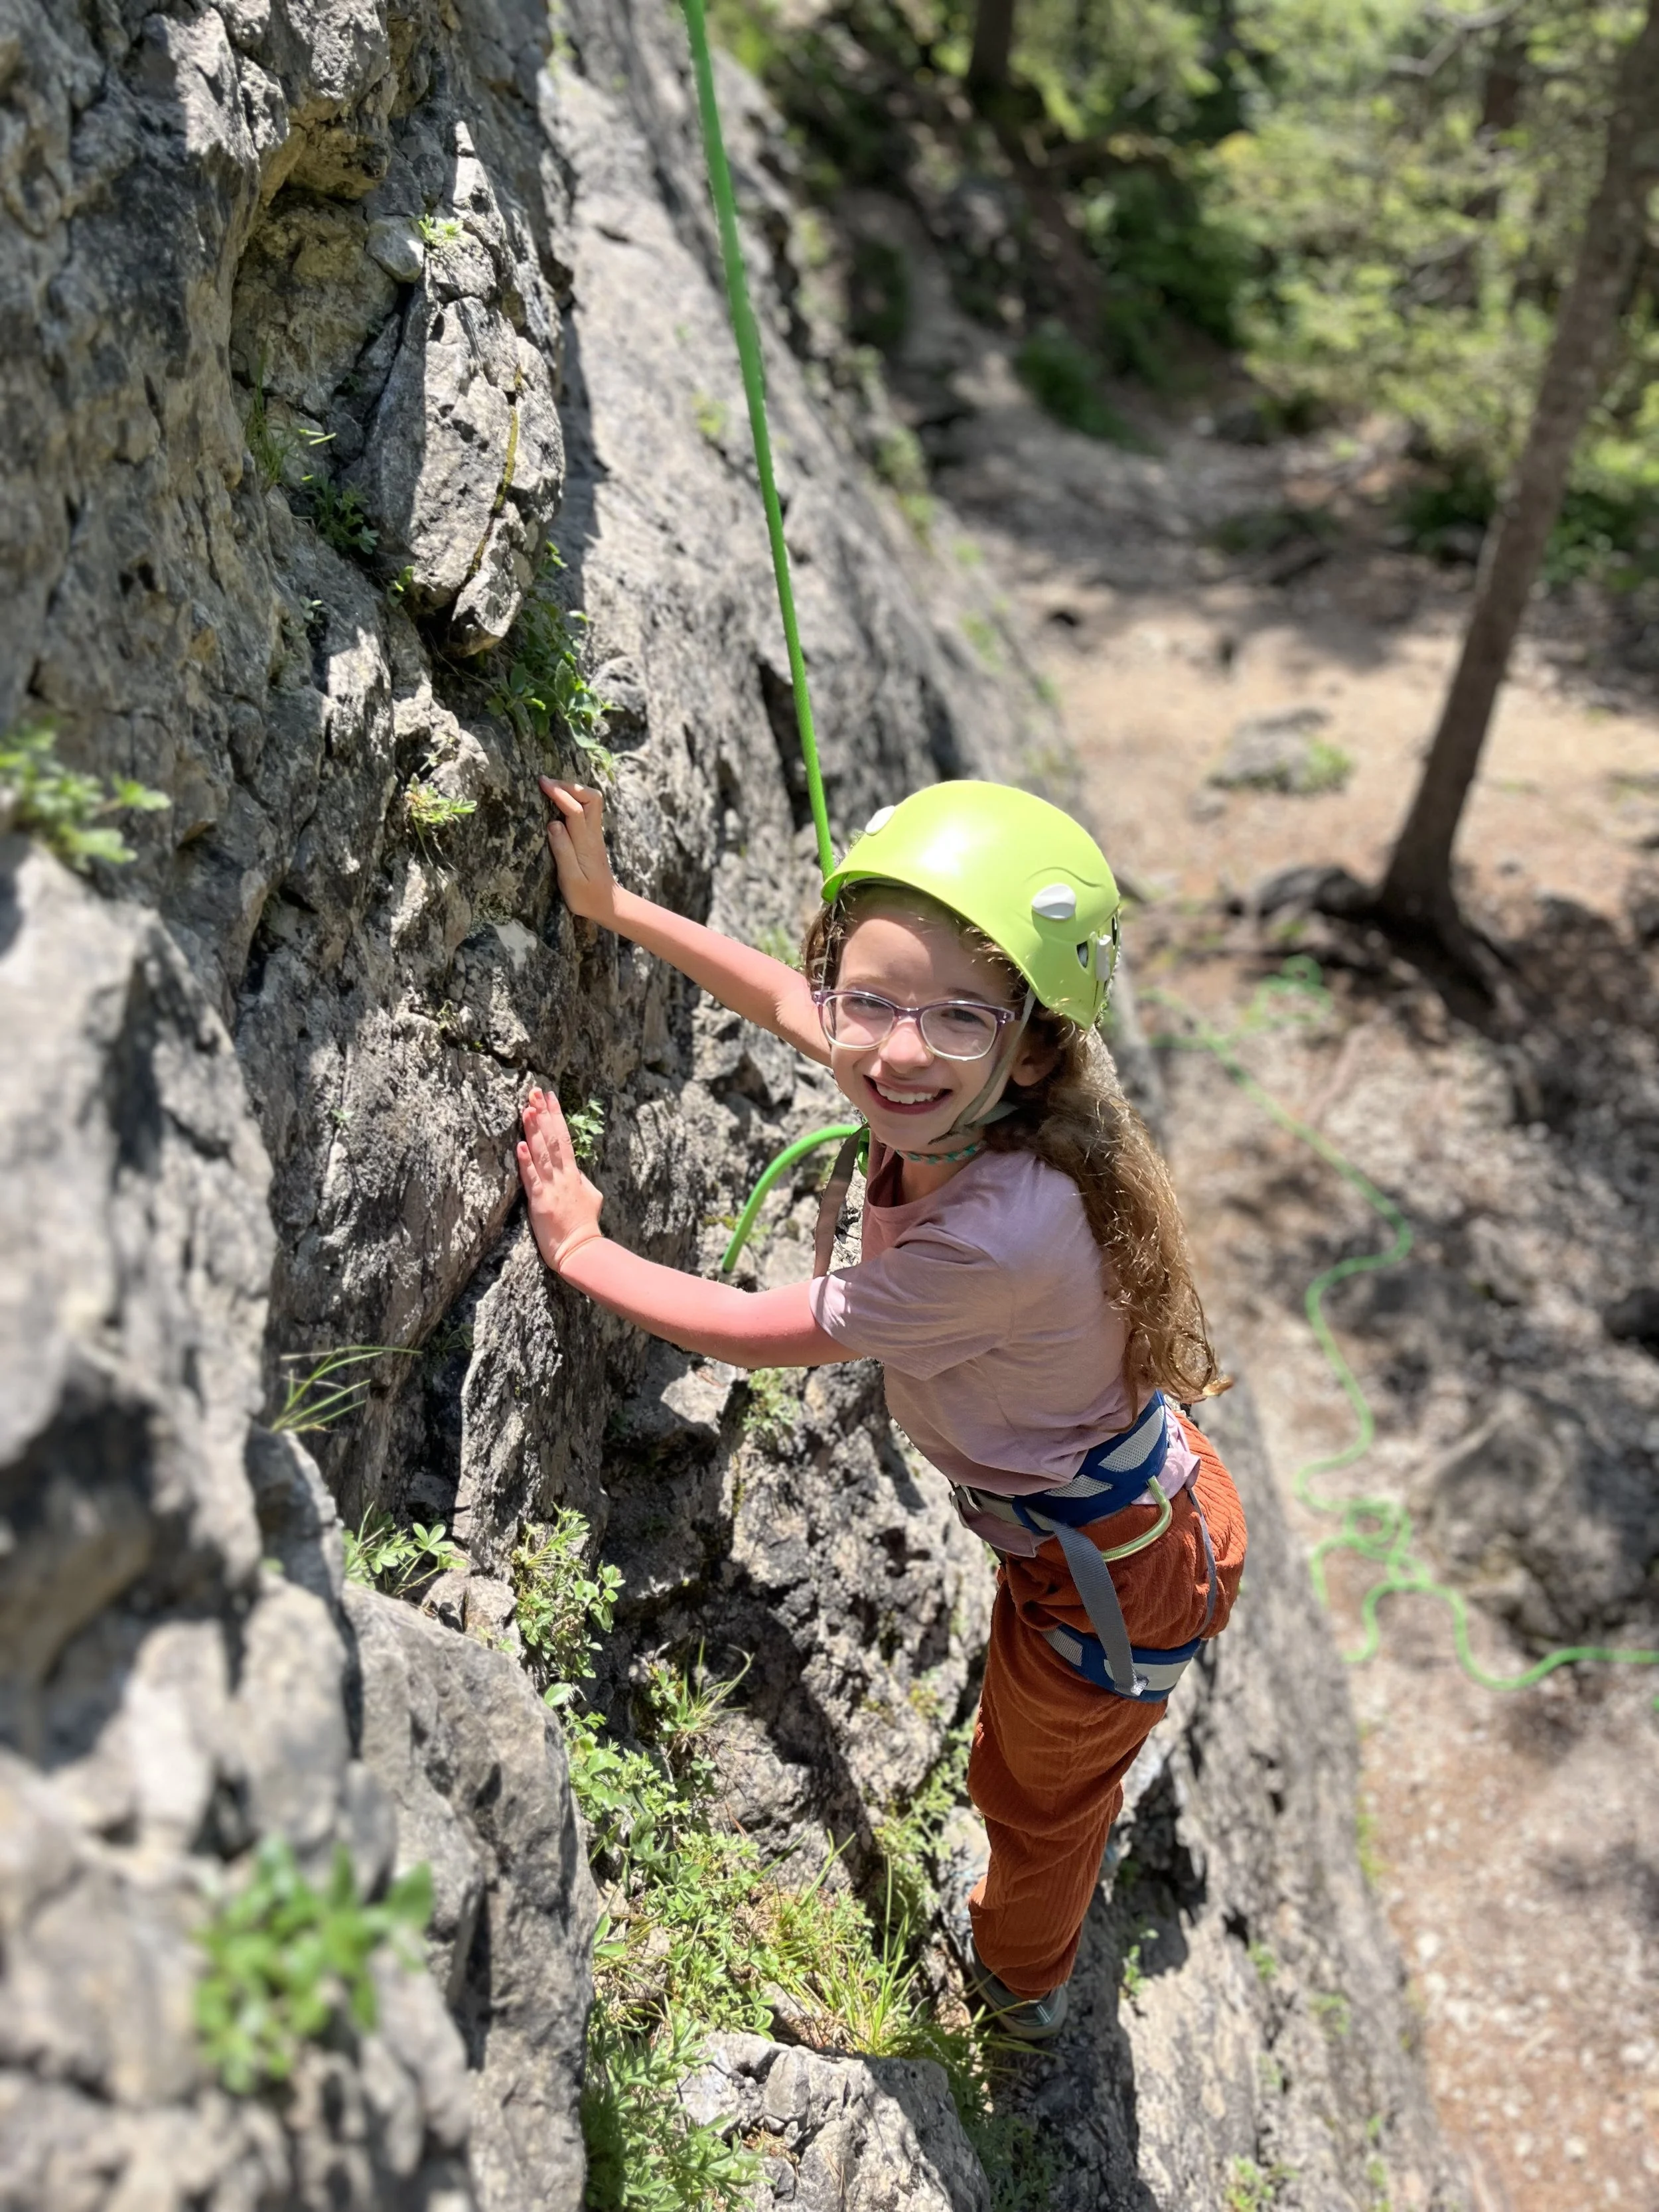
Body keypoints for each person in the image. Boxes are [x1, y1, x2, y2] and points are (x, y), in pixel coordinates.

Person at [516, 773, 1246, 2040]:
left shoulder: (1002, 1235)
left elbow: (756, 1334)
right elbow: (791, 1001)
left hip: (1112, 1581)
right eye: (873, 999)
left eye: (959, 1016)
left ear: (1031, 1044)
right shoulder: (965, 1086)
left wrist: (582, 1250)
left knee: (1029, 1805)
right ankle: (1062, 1851)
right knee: (1045, 1773)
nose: (896, 1049)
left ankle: (1018, 1990)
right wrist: (615, 903)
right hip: (1116, 1517)